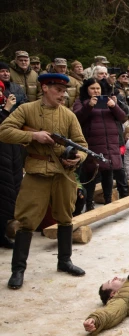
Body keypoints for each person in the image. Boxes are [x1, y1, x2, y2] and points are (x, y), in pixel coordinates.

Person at [0, 73, 89, 289]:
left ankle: (64, 261)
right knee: (27, 220)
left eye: (64, 91)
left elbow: (81, 144)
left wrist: (77, 158)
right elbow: (4, 131)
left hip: (63, 173)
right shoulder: (26, 110)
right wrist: (34, 136)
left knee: (66, 217)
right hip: (37, 172)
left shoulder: (68, 115)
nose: (63, 95)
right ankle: (18, 270)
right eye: (58, 90)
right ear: (45, 88)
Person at [73, 78, 128, 211]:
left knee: (108, 171)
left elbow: (123, 117)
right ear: (87, 89)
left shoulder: (108, 100)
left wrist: (114, 106)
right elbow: (76, 118)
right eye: (93, 88)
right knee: (92, 173)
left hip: (110, 141)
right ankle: (89, 203)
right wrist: (89, 105)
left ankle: (108, 201)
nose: (96, 91)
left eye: (98, 88)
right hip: (92, 141)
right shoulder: (81, 101)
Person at [0, 80, 23, 249]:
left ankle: (2, 235)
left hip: (10, 155)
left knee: (7, 196)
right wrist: (6, 110)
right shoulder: (5, 108)